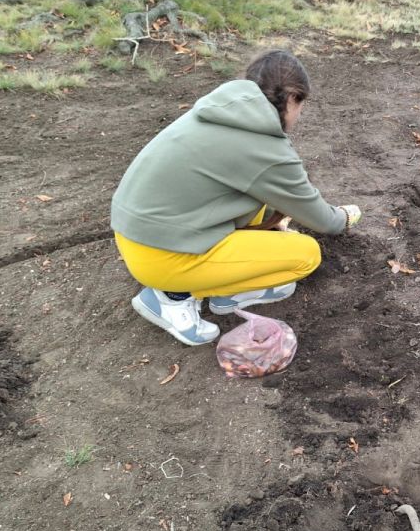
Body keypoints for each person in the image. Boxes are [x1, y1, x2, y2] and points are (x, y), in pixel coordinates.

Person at [110, 49, 361, 346]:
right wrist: (345, 216)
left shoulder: (217, 113)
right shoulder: (265, 149)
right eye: (301, 104)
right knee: (305, 255)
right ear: (292, 98)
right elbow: (324, 221)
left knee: (262, 205)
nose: (300, 114)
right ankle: (172, 297)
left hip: (134, 233)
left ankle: (213, 284)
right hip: (162, 257)